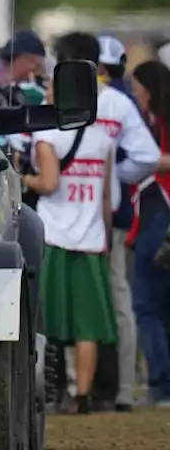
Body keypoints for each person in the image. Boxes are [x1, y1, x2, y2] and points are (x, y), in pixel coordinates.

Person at [21, 76, 119, 415]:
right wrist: (105, 237)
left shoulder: (47, 136)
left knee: (50, 320)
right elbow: (106, 197)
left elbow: (48, 183)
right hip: (91, 239)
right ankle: (83, 395)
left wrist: (22, 178)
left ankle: (55, 391)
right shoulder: (103, 138)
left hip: (55, 235)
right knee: (88, 325)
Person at [95, 35, 139, 411]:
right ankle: (121, 388)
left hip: (86, 217)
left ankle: (101, 387)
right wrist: (117, 177)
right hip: (116, 215)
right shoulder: (127, 101)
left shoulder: (113, 101)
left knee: (99, 300)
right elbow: (142, 158)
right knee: (118, 299)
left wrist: (106, 177)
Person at [127, 61, 170, 407]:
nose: (134, 93)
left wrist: (145, 159)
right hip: (158, 212)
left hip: (159, 211)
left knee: (146, 306)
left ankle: (160, 384)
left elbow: (155, 161)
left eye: (138, 87)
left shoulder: (156, 123)